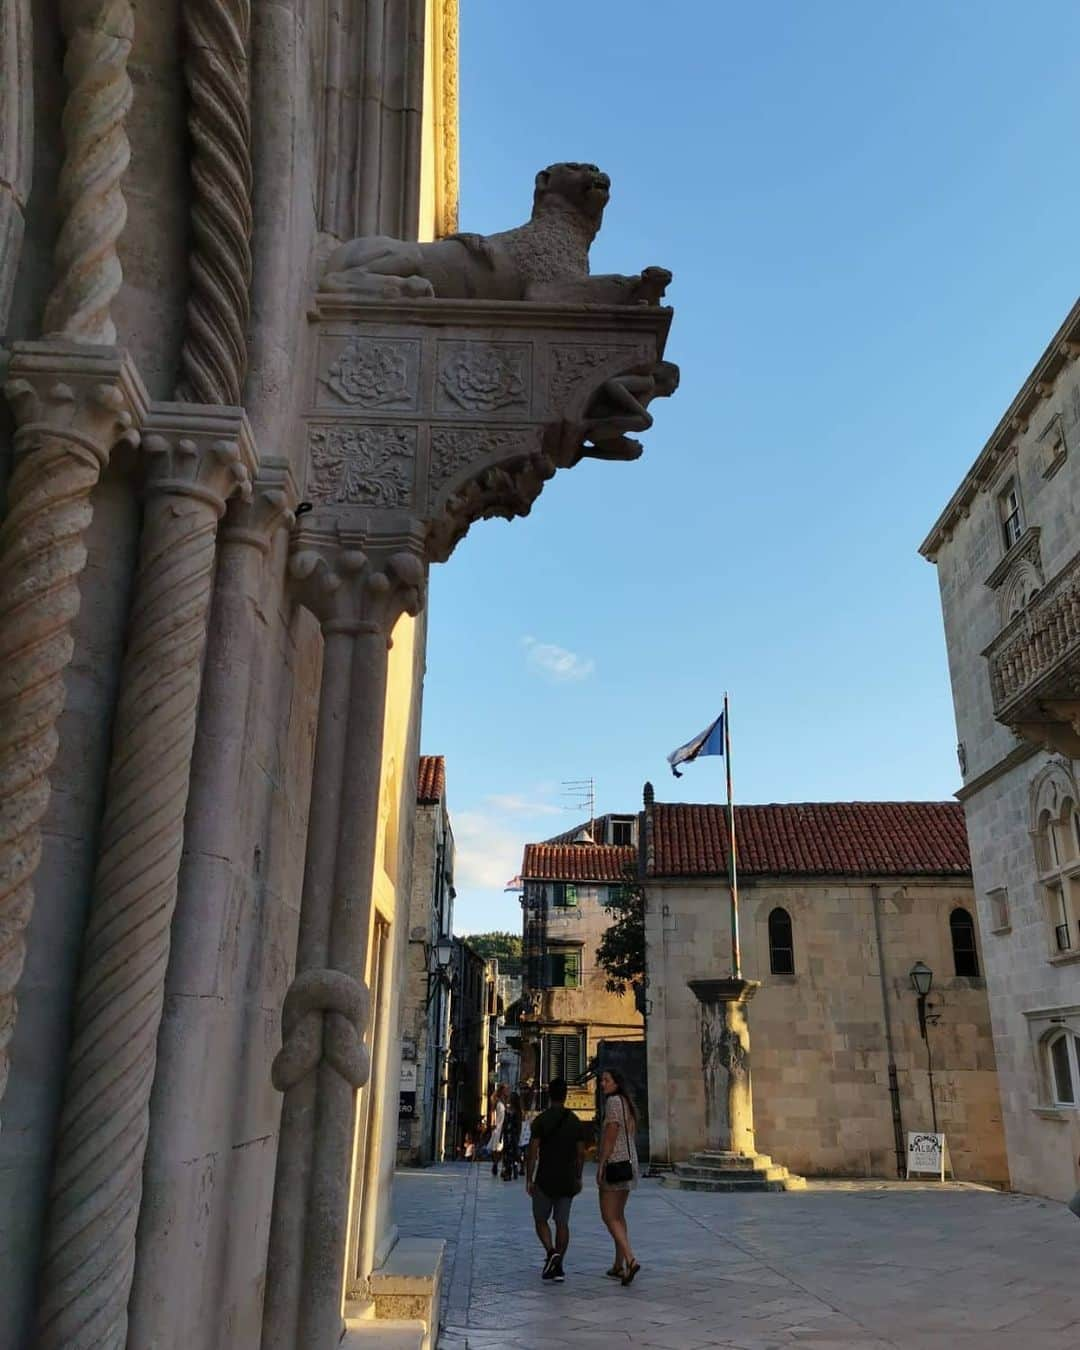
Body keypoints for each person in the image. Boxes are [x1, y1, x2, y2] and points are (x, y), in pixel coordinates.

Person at [525, 1077, 586, 1283]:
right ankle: (558, 1264)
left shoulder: (541, 1121)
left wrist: (529, 1179)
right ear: (566, 1095)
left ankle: (551, 1253)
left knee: (540, 1220)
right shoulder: (575, 1121)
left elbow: (532, 1152)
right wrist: (578, 1176)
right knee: (562, 1223)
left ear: (549, 1094)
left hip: (545, 1178)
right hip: (567, 1178)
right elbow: (581, 1154)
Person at [595, 1068, 641, 1285]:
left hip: (615, 1163)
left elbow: (611, 1135)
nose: (602, 1083)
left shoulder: (614, 1102)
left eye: (606, 1080)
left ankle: (630, 1260)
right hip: (629, 1164)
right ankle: (618, 1264)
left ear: (616, 1082)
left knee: (608, 1216)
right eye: (602, 1080)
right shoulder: (626, 1103)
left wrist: (601, 1163)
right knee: (619, 1215)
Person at [501, 1092, 523, 1180]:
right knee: (509, 1153)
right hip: (509, 1134)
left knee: (510, 1153)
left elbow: (518, 1124)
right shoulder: (510, 1110)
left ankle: (509, 1171)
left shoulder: (516, 1111)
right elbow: (505, 1123)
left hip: (512, 1134)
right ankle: (511, 1170)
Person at [488, 1083, 508, 1177]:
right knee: (497, 1147)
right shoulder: (496, 1100)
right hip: (498, 1126)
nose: (507, 1091)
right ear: (501, 1090)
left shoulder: (506, 1100)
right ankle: (495, 1164)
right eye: (505, 1089)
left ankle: (502, 1166)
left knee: (503, 1148)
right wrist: (492, 1124)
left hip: (506, 1126)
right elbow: (492, 1112)